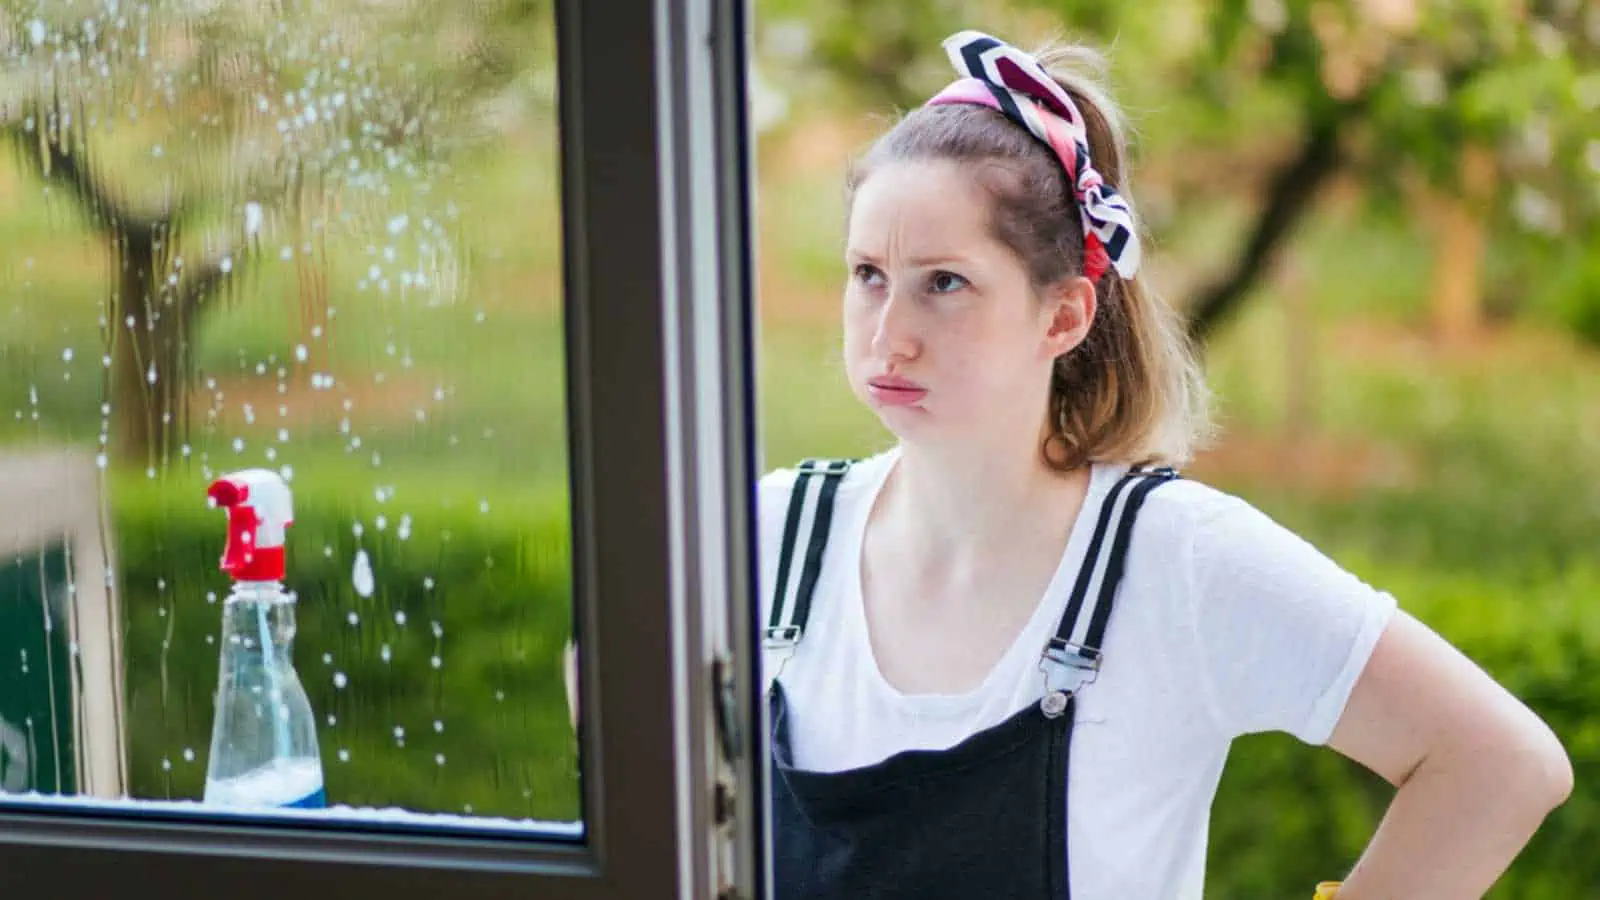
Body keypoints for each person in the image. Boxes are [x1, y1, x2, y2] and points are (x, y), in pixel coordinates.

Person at [752, 29, 1572, 900]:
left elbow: (1500, 764)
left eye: (944, 282)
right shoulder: (771, 534)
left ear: (1064, 316)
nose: (889, 335)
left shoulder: (1173, 560)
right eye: (868, 274)